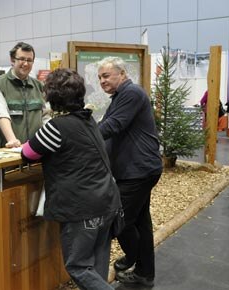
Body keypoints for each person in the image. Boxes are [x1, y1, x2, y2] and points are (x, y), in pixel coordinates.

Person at [21, 68, 121, 290]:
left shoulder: (57, 127)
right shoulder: (89, 120)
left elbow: (28, 153)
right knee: (97, 265)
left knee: (78, 266)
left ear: (52, 98)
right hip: (107, 201)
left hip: (83, 207)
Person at [97, 57, 163, 287]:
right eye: (100, 77)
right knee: (141, 223)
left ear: (122, 74)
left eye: (106, 75)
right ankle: (144, 274)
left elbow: (112, 125)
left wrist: (82, 137)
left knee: (119, 220)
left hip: (138, 172)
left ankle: (133, 257)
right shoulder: (121, 96)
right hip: (139, 170)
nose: (102, 81)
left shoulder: (131, 93)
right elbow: (109, 124)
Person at [0, 42, 45, 148]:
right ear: (12, 60)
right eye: (22, 59)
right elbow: (1, 114)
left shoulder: (38, 86)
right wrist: (12, 140)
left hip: (37, 152)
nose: (26, 64)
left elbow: (46, 116)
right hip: (10, 154)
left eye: (29, 60)